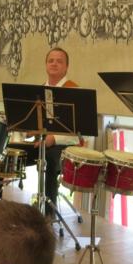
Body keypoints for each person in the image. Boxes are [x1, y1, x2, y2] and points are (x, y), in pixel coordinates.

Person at [35, 47, 79, 217]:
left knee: (49, 158)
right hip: (42, 141)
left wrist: (53, 139)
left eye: (59, 61)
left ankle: (48, 213)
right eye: (50, 60)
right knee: (8, 151)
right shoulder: (39, 91)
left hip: (64, 145)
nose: (54, 64)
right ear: (46, 65)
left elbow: (77, 133)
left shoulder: (74, 90)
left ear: (66, 67)